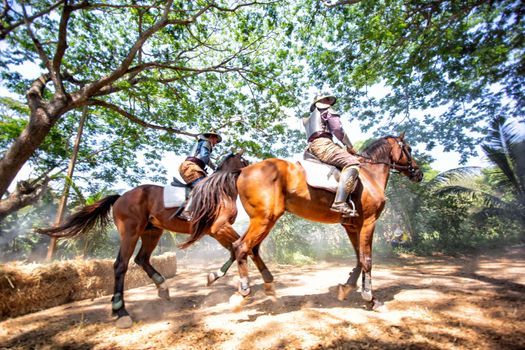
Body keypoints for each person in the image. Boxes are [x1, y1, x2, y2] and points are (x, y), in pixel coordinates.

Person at [303, 95, 360, 217]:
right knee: (353, 162)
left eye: (330, 100)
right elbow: (338, 130)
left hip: (310, 149)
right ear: (320, 102)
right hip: (324, 145)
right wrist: (349, 147)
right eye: (327, 100)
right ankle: (339, 202)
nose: (330, 102)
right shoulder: (327, 111)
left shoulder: (308, 119)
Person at [175, 131, 222, 220]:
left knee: (203, 186)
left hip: (190, 166)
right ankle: (186, 211)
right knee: (203, 186)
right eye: (216, 140)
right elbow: (205, 156)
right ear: (212, 137)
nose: (216, 143)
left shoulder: (201, 142)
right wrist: (215, 168)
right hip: (191, 166)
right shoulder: (206, 142)